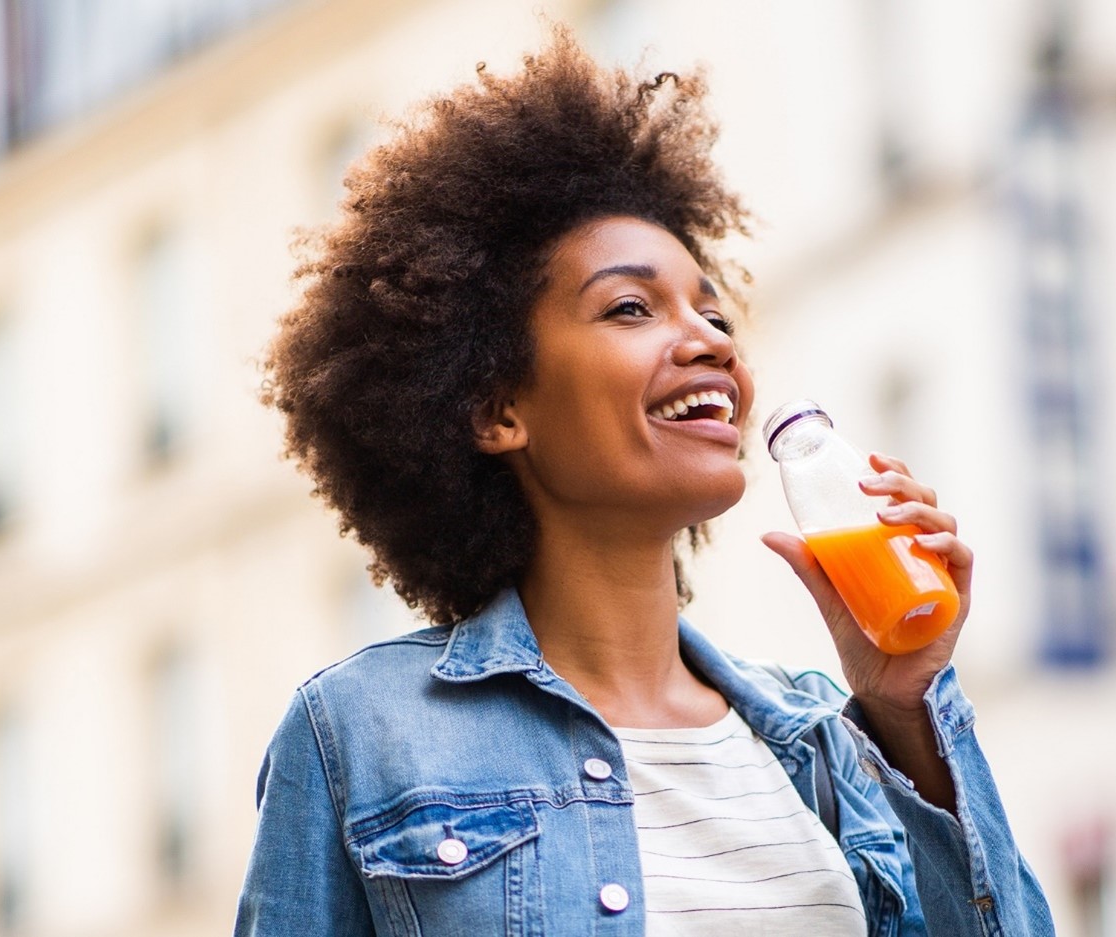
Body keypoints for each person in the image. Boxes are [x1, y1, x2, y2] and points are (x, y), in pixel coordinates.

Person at [235, 27, 1055, 937]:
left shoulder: (831, 740)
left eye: (712, 308)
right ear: (496, 409)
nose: (708, 338)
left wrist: (907, 714)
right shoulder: (360, 732)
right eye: (631, 307)